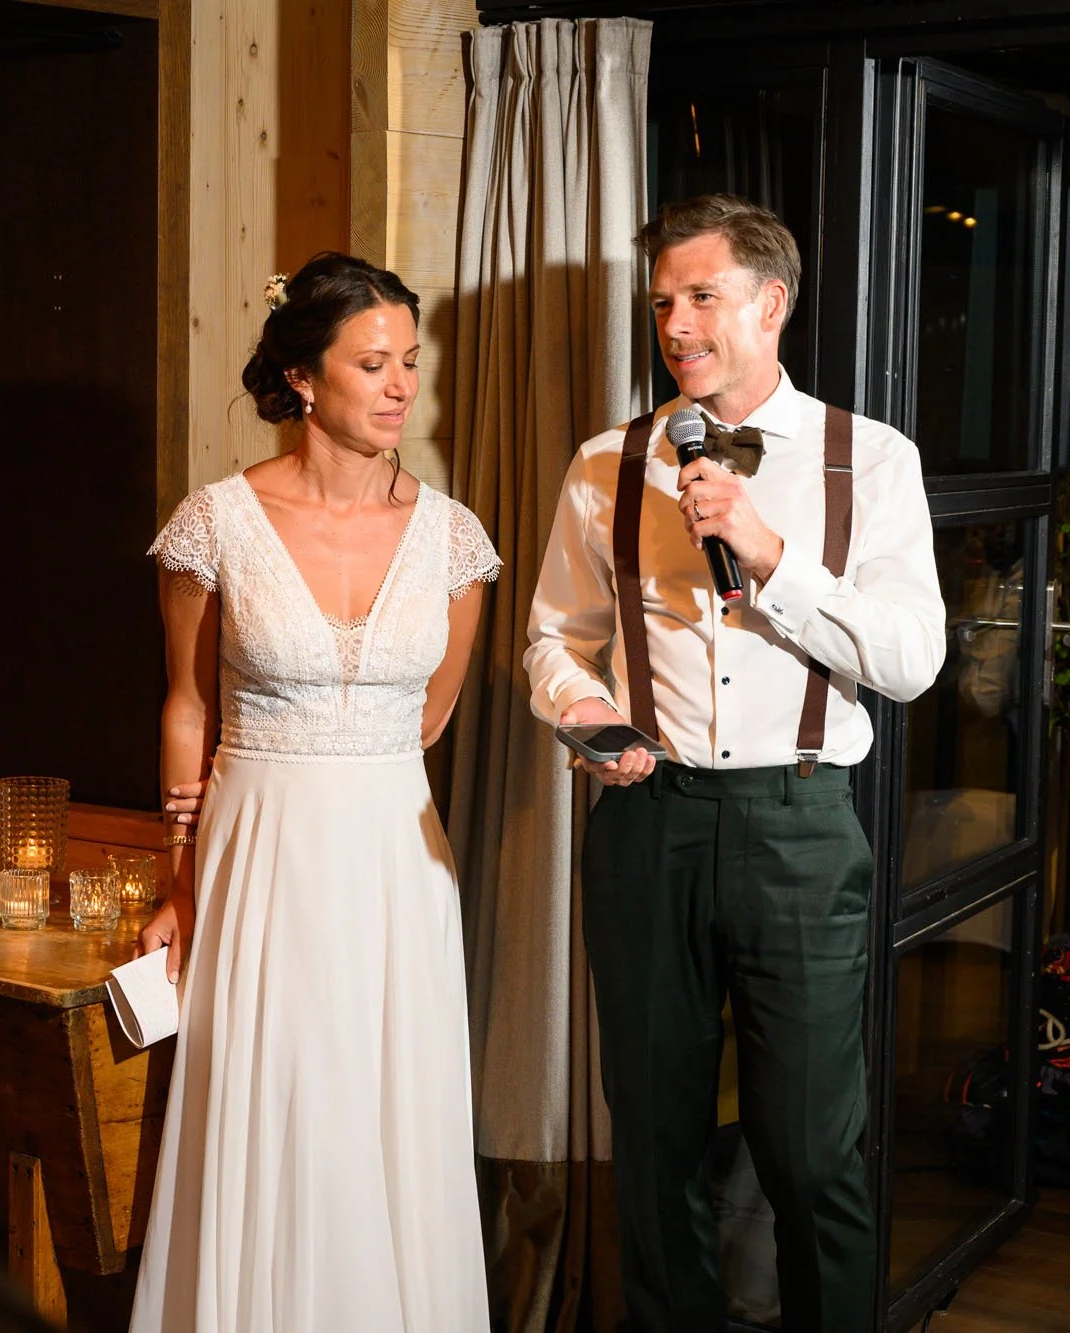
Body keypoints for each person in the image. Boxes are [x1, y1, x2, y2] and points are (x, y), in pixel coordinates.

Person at [523, 195, 946, 1331]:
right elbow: (553, 637)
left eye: (701, 297)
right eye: (663, 301)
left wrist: (765, 554)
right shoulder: (607, 463)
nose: (676, 321)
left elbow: (909, 662)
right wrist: (587, 715)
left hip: (798, 826)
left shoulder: (873, 460)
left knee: (812, 1151)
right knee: (653, 1146)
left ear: (770, 303)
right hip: (644, 824)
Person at [130, 253, 498, 1332]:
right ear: (301, 376)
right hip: (260, 855)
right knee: (283, 1112)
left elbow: (428, 716)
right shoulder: (215, 523)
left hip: (393, 861)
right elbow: (188, 708)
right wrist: (182, 876)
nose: (398, 387)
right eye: (371, 363)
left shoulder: (453, 537)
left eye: (409, 364)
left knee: (385, 1117)